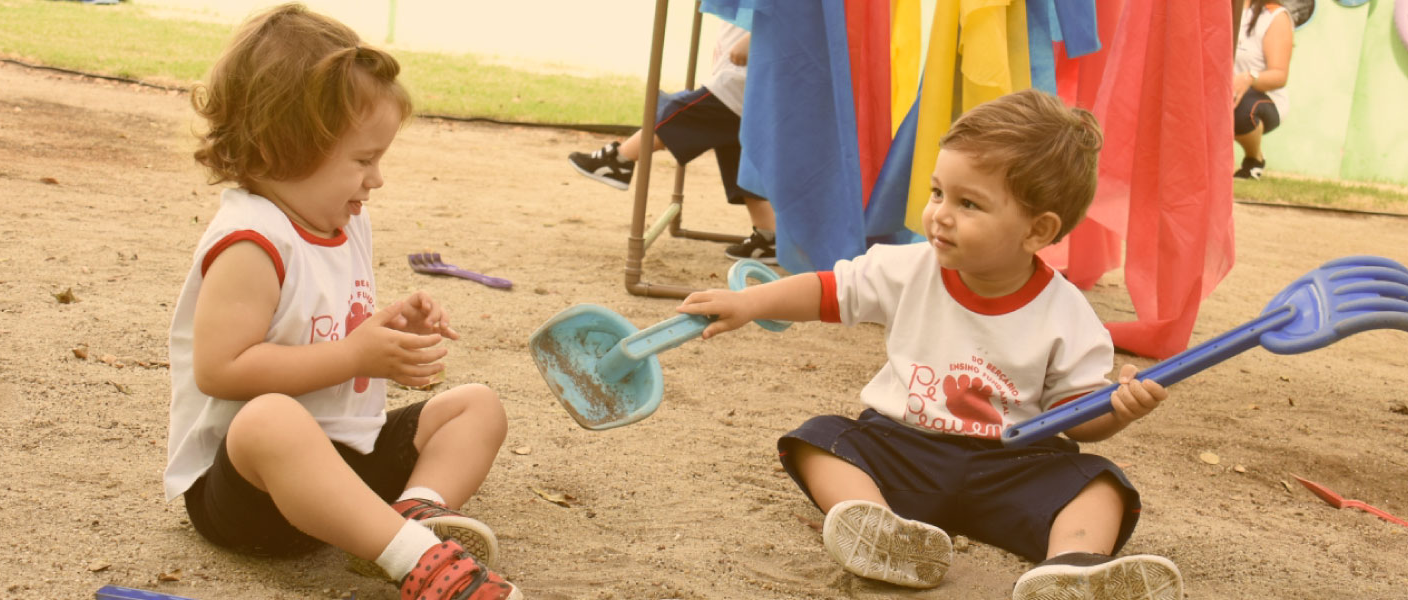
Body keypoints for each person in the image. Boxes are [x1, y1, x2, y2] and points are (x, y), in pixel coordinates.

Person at [677, 89, 1182, 599]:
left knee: (1101, 485)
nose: (939, 214)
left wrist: (1118, 410)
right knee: (819, 439)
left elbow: (1077, 415)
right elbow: (829, 291)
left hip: (1013, 466)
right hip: (902, 448)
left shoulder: (1068, 313)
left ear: (1037, 230)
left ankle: (1072, 567)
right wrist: (753, 302)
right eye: (938, 192)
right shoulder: (908, 268)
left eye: (968, 203)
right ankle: (876, 527)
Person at [165, 5, 519, 599]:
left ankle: (412, 520)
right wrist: (358, 355)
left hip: (347, 462)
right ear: (282, 148)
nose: (376, 179)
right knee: (270, 418)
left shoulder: (346, 220)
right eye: (362, 160)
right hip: (253, 492)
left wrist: (388, 332)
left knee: (476, 406)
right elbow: (221, 369)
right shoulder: (251, 241)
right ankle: (418, 561)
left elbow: (330, 325)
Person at [567, 21, 779, 264]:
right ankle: (768, 236)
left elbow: (787, 9)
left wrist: (755, 36)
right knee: (735, 154)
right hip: (737, 78)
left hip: (741, 81)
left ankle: (619, 160)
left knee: (677, 113)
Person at [1232, 0, 1295, 180]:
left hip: (1264, 98)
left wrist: (1249, 77)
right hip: (1222, 92)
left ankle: (1254, 158)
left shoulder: (1274, 16)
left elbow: (1279, 76)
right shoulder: (1220, 8)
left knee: (1242, 110)